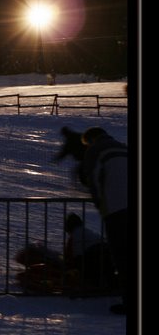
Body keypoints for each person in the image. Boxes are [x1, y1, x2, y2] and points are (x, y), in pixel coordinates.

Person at [78, 127, 130, 314]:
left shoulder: (95, 150)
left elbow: (94, 180)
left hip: (116, 210)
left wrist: (101, 205)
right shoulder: (123, 147)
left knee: (123, 257)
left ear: (90, 139)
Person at [63, 213, 114, 291]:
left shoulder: (75, 236)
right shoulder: (87, 231)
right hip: (107, 252)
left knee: (82, 265)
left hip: (96, 255)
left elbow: (76, 256)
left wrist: (69, 265)